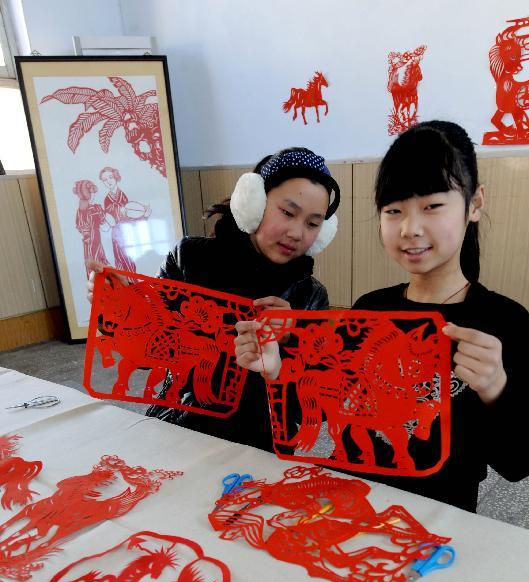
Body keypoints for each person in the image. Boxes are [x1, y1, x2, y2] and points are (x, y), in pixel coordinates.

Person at [235, 121, 529, 512]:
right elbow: (321, 411)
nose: (410, 228)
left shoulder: (504, 321)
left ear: (474, 204)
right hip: (352, 504)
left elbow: (520, 463)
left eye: (432, 206)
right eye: (394, 210)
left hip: (437, 521)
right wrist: (277, 369)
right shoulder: (370, 309)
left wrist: (495, 388)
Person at [87, 147, 340, 452]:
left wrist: (292, 340)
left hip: (262, 445)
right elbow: (146, 356)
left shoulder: (310, 295)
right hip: (180, 425)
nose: (297, 233)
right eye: (287, 212)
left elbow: (313, 409)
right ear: (253, 202)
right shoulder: (190, 259)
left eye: (313, 224)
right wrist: (120, 307)